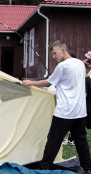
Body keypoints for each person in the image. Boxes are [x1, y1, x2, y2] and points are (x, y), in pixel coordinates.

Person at [22, 40, 91, 173]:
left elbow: (48, 83)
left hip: (65, 112)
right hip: (80, 112)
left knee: (53, 140)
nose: (54, 57)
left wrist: (30, 82)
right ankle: (88, 169)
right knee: (81, 141)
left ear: (63, 50)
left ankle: (44, 167)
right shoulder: (80, 64)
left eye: (55, 53)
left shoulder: (62, 66)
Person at [84, 61, 91, 129]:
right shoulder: (88, 79)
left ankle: (71, 139)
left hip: (87, 109)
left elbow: (84, 96)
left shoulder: (85, 81)